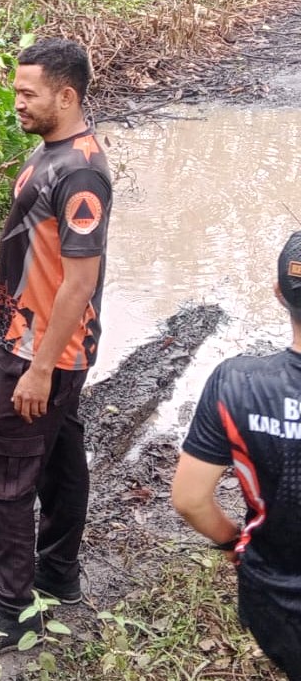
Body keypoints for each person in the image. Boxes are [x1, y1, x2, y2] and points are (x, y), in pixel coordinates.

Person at [0, 39, 112, 655]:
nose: (16, 102)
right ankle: (58, 573)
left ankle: (12, 611)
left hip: (40, 347)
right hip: (35, 337)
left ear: (65, 96)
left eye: (27, 94)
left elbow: (80, 281)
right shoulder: (55, 151)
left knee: (5, 472)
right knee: (62, 454)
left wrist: (41, 367)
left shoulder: (82, 172)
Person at [171, 230, 301, 681]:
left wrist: (233, 543)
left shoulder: (237, 383)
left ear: (278, 293)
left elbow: (189, 499)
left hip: (273, 600)